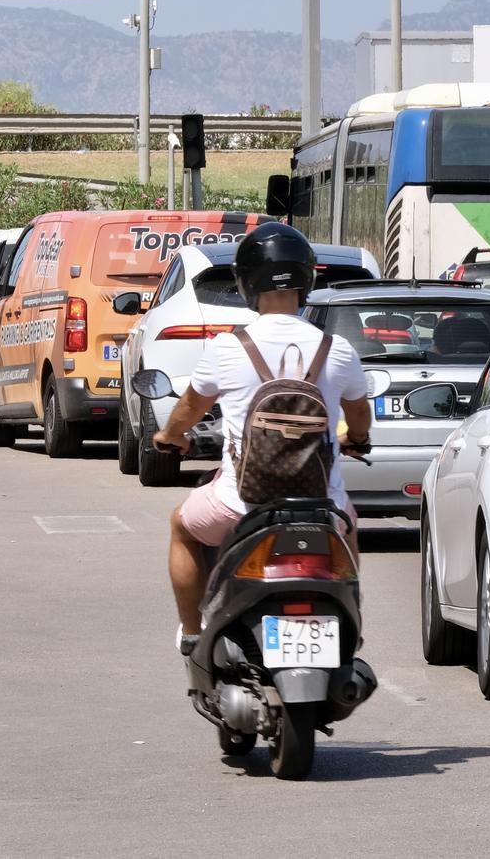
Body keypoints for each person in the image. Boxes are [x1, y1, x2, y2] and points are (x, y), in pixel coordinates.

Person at [154, 222, 373, 654]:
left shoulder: (226, 348)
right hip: (321, 505)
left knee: (181, 526)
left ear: (246, 282)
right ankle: (350, 627)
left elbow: (189, 410)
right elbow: (359, 415)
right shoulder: (337, 348)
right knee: (348, 531)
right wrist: (357, 439)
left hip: (241, 505)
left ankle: (193, 632)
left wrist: (171, 435)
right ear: (306, 279)